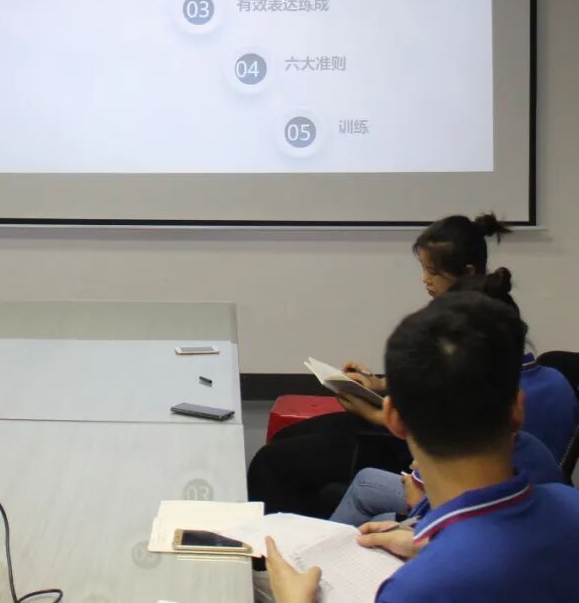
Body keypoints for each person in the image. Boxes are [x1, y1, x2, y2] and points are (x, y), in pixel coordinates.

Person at [266, 292, 579, 603]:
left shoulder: (417, 589)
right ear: (518, 409)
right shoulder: (570, 504)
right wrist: (432, 543)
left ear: (393, 419)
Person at [247, 213, 511, 517]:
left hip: (405, 444)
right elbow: (428, 380)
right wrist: (378, 384)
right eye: (424, 268)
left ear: (467, 272)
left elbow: (449, 422)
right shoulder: (451, 315)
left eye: (433, 271)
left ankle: (287, 541)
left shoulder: (476, 332)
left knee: (271, 463)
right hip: (394, 423)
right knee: (285, 439)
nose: (425, 279)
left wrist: (374, 414)